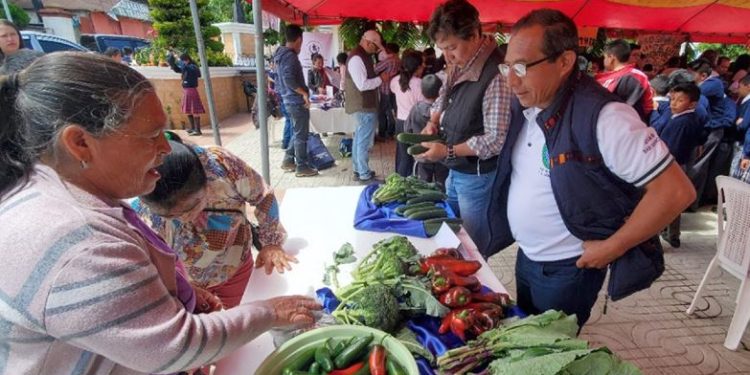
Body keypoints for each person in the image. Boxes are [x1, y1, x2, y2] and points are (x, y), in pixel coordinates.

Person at [0, 52, 320, 374]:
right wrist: (271, 311)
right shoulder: (78, 243)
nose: (166, 148)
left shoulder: (59, 196)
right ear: (80, 143)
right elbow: (175, 346)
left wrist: (176, 292)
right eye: (152, 135)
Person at [485, 9, 696, 329]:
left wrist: (613, 247)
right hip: (528, 256)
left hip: (568, 270)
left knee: (549, 351)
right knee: (525, 336)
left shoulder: (605, 117)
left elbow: (676, 191)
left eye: (522, 67)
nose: (511, 80)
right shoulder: (531, 102)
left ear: (565, 62)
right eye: (507, 66)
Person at [132, 133, 296, 312]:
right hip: (188, 283)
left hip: (235, 267)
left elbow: (263, 196)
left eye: (192, 206)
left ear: (206, 183)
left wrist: (270, 243)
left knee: (244, 315)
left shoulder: (221, 165)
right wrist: (183, 288)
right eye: (172, 216)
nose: (185, 218)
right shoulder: (138, 212)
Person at [418, 0, 512, 249]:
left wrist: (448, 151)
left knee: (472, 248)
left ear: (474, 35)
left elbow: (495, 139)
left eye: (452, 47)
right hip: (456, 171)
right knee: (452, 237)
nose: (447, 56)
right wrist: (433, 120)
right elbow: (443, 96)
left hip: (478, 178)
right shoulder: (461, 63)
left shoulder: (497, 75)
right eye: (442, 49)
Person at [658, 83, 706, 248]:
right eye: (673, 99)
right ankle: (670, 233)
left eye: (680, 100)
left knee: (668, 201)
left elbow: (674, 148)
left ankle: (671, 234)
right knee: (671, 201)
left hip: (672, 165)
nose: (674, 103)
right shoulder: (686, 118)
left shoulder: (683, 122)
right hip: (677, 165)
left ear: (692, 104)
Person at [345, 29, 389, 182]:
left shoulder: (360, 56)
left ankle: (359, 170)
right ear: (368, 43)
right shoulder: (357, 58)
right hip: (363, 105)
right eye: (375, 47)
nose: (376, 50)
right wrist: (381, 79)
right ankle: (363, 173)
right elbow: (362, 85)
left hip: (363, 105)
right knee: (363, 141)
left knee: (359, 139)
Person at [274, 24, 318, 177]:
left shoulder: (281, 55)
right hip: (295, 101)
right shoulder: (290, 56)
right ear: (299, 39)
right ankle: (302, 166)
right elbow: (288, 80)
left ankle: (288, 160)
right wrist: (304, 94)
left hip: (288, 100)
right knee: (301, 135)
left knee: (297, 132)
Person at [405, 74, 449, 188]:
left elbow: (407, 129)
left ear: (422, 91)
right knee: (442, 184)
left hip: (422, 155)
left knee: (422, 185)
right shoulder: (445, 111)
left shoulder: (415, 109)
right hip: (441, 156)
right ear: (441, 92)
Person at [596, 39, 654, 121]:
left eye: (605, 57)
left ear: (611, 57)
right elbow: (648, 106)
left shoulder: (635, 76)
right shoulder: (638, 76)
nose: (604, 60)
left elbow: (647, 106)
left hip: (621, 124)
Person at [391, 50, 425, 176]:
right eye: (422, 64)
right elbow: (424, 105)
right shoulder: (420, 84)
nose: (424, 67)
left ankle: (399, 178)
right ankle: (410, 180)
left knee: (401, 153)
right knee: (414, 153)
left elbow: (394, 91)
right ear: (418, 67)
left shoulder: (394, 81)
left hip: (400, 122)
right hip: (415, 123)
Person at [167, 51, 206, 136]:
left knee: (194, 109)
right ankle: (193, 128)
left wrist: (180, 61)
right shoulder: (186, 66)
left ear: (186, 60)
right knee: (188, 110)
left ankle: (197, 130)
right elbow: (178, 69)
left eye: (183, 60)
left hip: (191, 90)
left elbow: (193, 71)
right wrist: (172, 61)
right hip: (186, 90)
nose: (182, 62)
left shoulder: (193, 67)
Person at [376, 42, 401, 139]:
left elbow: (376, 69)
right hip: (394, 89)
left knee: (382, 111)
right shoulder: (399, 60)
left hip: (385, 89)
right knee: (392, 110)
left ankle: (382, 133)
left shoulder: (389, 61)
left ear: (389, 50)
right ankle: (391, 132)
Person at [731, 75, 750, 183]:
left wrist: (739, 123)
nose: (738, 89)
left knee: (737, 177)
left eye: (740, 86)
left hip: (743, 145)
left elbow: (743, 125)